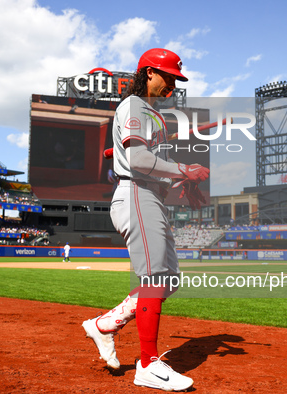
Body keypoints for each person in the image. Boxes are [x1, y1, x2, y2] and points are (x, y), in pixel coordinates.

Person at [82, 48, 208, 391]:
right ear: (149, 72)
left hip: (149, 194)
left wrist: (183, 182)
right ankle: (148, 364)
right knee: (155, 278)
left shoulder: (151, 114)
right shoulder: (135, 105)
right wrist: (186, 168)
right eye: (168, 76)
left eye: (176, 79)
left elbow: (144, 160)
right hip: (136, 193)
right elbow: (137, 158)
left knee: (168, 282)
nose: (172, 83)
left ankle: (106, 324)